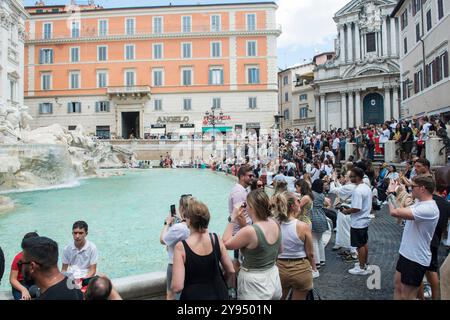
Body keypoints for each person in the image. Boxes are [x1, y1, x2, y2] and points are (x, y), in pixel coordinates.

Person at [223, 189, 282, 300]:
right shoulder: (275, 223)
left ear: (251, 207)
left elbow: (225, 243)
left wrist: (233, 217)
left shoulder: (250, 231)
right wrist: (243, 225)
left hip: (255, 286)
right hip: (273, 278)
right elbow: (279, 250)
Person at [388, 175, 439, 300]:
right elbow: (401, 207)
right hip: (406, 254)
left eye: (413, 186)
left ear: (422, 188)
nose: (411, 189)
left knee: (408, 296)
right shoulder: (419, 203)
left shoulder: (428, 209)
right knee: (398, 287)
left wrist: (390, 193)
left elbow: (395, 212)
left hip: (416, 258)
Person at [172, 198, 234, 300]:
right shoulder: (216, 238)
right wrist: (221, 281)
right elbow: (231, 270)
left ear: (189, 220)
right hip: (220, 294)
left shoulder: (181, 247)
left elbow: (177, 287)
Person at [272, 192, 316, 299]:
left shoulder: (273, 224)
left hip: (280, 268)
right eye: (298, 200)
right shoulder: (303, 226)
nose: (300, 202)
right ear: (292, 206)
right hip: (301, 268)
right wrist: (313, 268)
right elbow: (310, 253)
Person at [341, 167, 372, 275]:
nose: (350, 178)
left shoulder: (358, 190)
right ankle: (364, 263)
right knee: (363, 243)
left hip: (358, 221)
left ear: (358, 177)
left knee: (359, 245)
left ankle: (361, 267)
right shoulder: (366, 187)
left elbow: (356, 208)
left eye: (352, 176)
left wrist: (346, 211)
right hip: (364, 219)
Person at [160, 195, 191, 300]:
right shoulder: (193, 225)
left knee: (171, 295)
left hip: (174, 264)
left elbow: (162, 240)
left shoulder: (178, 228)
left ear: (181, 208)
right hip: (190, 263)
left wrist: (167, 223)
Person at [228, 164, 254, 285]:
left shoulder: (242, 190)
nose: (252, 178)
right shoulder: (239, 192)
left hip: (241, 231)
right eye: (250, 175)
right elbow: (239, 215)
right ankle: (237, 287)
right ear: (242, 176)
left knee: (240, 260)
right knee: (239, 261)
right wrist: (249, 232)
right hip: (241, 232)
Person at [62, 221, 98, 285]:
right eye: (75, 233)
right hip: (72, 278)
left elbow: (92, 270)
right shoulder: (67, 249)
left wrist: (82, 281)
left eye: (80, 233)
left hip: (87, 278)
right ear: (72, 233)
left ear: (86, 234)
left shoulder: (92, 248)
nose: (77, 236)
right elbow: (64, 270)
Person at [10, 232, 40, 300]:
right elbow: (12, 279)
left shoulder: (41, 257)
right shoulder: (18, 258)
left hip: (35, 283)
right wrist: (23, 290)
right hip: (20, 284)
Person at [310, 179, 331, 270]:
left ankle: (316, 262)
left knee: (314, 240)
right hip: (322, 216)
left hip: (314, 217)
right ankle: (322, 259)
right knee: (319, 240)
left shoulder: (311, 194)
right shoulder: (322, 195)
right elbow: (327, 203)